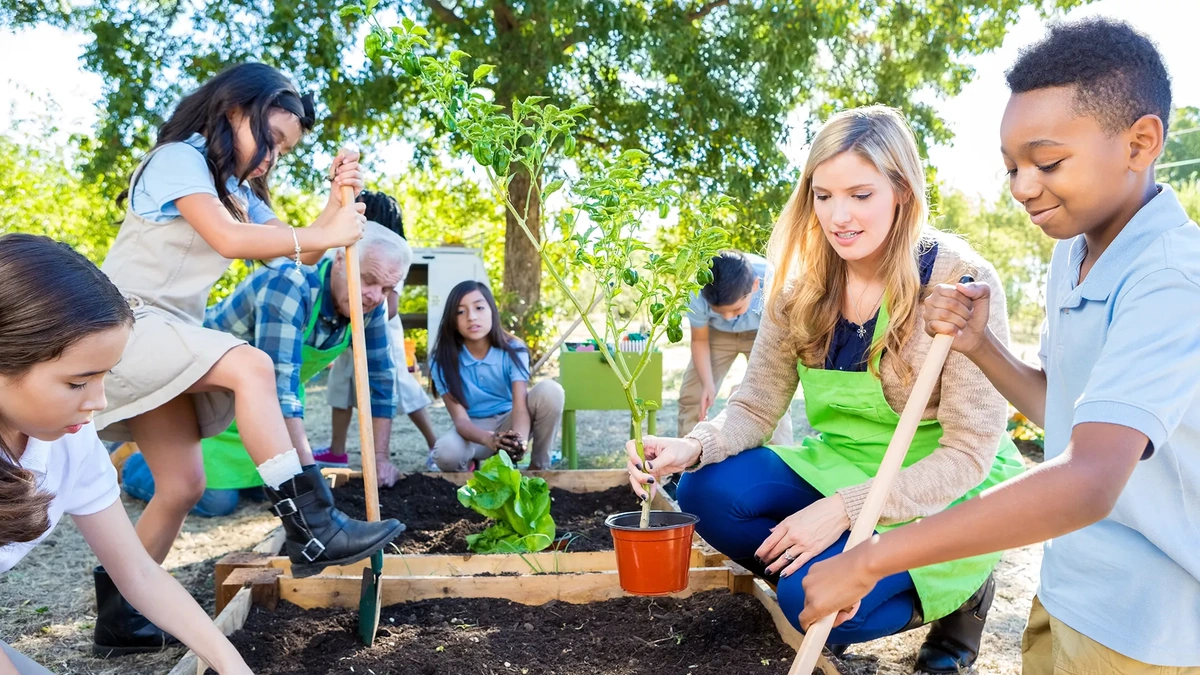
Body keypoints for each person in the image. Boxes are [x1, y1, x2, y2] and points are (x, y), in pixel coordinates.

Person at [798, 19, 1200, 674]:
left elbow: (1090, 479)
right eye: (1012, 167)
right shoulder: (1075, 249)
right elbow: (1064, 414)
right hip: (1072, 586)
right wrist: (982, 347)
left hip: (1149, 625)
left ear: (1141, 142)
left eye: (1047, 162)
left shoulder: (1172, 278)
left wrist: (870, 557)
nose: (1020, 187)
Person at [626, 105, 1025, 673]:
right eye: (823, 195)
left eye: (861, 195)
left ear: (902, 193)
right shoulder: (800, 287)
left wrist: (846, 509)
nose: (840, 216)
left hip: (941, 482)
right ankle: (824, 572)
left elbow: (969, 451)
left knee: (802, 601)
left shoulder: (960, 283)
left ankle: (960, 592)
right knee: (703, 492)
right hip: (844, 461)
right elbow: (756, 404)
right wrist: (693, 446)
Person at [93, 62, 403, 652]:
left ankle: (121, 618)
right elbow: (232, 242)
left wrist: (339, 207)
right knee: (251, 364)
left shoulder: (235, 190)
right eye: (273, 138)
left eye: (285, 150)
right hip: (126, 324)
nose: (271, 158)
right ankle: (311, 525)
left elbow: (302, 253)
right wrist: (320, 234)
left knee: (183, 483)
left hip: (172, 332)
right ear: (235, 111)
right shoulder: (177, 161)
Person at [0, 234, 252, 672]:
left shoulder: (69, 439)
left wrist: (230, 664)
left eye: (105, 377)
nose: (98, 401)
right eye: (78, 383)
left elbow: (138, 573)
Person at [121, 221, 412, 514]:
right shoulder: (290, 283)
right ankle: (139, 460)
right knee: (215, 501)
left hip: (262, 411)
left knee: (269, 492)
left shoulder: (370, 305)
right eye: (368, 279)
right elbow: (280, 383)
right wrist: (308, 482)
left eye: (386, 288)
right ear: (340, 259)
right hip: (204, 396)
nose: (376, 296)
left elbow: (381, 381)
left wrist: (379, 458)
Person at [315, 190, 439, 472]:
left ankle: (435, 444)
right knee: (341, 385)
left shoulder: (391, 256)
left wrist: (369, 304)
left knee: (397, 386)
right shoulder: (357, 249)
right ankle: (337, 451)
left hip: (380, 330)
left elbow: (390, 307)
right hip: (349, 328)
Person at [430, 281, 564, 472]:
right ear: (451, 319)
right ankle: (470, 468)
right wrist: (489, 439)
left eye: (479, 307)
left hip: (511, 419)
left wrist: (518, 441)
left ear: (492, 310)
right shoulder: (442, 360)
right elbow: (461, 421)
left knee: (551, 391)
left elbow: (519, 406)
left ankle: (538, 468)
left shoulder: (514, 349)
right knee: (446, 454)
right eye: (461, 311)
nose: (471, 317)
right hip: (475, 432)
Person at [678, 250, 791, 445]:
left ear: (755, 285)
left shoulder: (773, 281)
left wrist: (750, 387)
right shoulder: (696, 288)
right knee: (693, 394)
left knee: (771, 396)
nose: (729, 317)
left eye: (736, 309)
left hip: (762, 330)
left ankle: (781, 460)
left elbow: (781, 336)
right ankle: (684, 467)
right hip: (716, 334)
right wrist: (708, 384)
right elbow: (699, 340)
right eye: (720, 311)